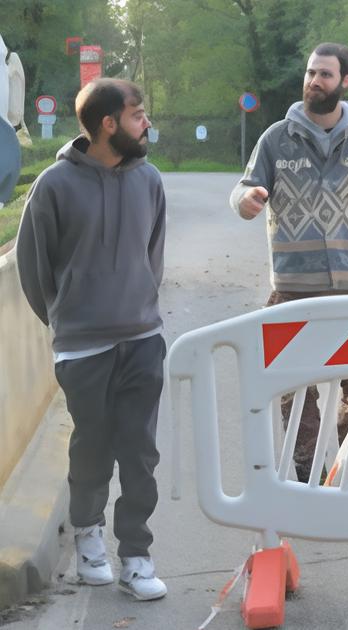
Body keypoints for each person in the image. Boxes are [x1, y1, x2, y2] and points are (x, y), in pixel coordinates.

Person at [16, 78, 168, 601]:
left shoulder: (149, 179)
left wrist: (140, 307)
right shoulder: (54, 185)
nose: (145, 123)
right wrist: (67, 322)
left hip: (144, 339)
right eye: (137, 114)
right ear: (109, 124)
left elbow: (153, 254)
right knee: (93, 450)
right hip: (83, 346)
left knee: (140, 452)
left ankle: (137, 556)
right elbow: (35, 272)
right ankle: (88, 540)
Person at [230, 42, 348, 485]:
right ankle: (306, 471)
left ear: (344, 82)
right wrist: (246, 201)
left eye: (325, 74)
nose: (314, 81)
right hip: (292, 288)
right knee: (293, 386)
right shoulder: (275, 137)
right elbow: (244, 187)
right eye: (310, 73)